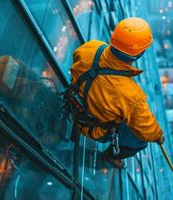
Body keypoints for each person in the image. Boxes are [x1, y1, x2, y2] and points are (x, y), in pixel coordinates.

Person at [66, 17, 164, 168]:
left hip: (74, 105)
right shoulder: (130, 95)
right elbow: (146, 128)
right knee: (138, 142)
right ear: (139, 53)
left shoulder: (91, 47)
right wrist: (158, 136)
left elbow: (76, 59)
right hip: (94, 128)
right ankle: (110, 156)